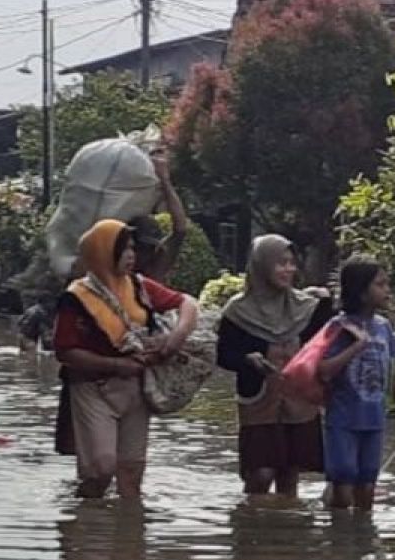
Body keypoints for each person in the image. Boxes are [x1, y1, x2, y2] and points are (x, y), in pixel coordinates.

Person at [52, 219, 198, 499]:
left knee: (131, 474)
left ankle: (129, 538)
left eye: (133, 249)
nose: (131, 255)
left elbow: (186, 304)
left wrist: (176, 337)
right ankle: (86, 528)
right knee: (101, 469)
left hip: (136, 386)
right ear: (103, 252)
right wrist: (117, 364)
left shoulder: (138, 286)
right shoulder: (76, 298)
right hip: (93, 387)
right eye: (123, 249)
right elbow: (65, 351)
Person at [216, 235, 333, 497]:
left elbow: (323, 343)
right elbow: (223, 355)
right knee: (261, 472)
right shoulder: (237, 311)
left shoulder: (307, 308)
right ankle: (250, 525)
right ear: (262, 266)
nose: (288, 270)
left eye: (292, 263)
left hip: (299, 400)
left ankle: (284, 531)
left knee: (290, 471)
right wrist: (248, 360)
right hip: (258, 400)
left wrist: (326, 301)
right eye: (280, 263)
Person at [317, 256, 395, 511]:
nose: (387, 291)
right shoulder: (338, 327)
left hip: (374, 421)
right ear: (361, 292)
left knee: (368, 487)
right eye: (380, 285)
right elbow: (324, 371)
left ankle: (361, 542)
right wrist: (357, 346)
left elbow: (394, 372)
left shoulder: (383, 328)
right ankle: (337, 539)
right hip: (342, 420)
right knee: (343, 484)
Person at [129, 145, 188, 282]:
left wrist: (165, 181)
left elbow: (180, 229)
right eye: (141, 248)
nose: (145, 254)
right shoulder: (113, 270)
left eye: (150, 248)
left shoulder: (154, 270)